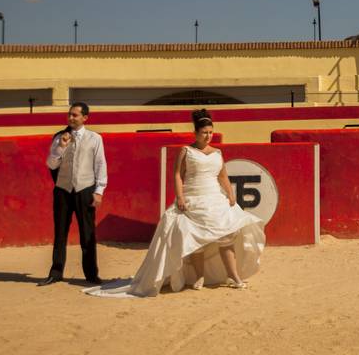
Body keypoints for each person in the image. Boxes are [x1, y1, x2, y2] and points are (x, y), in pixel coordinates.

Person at [86, 108, 265, 297]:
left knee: (227, 237)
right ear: (196, 133)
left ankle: (233, 275)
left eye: (211, 132)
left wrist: (230, 194)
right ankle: (199, 276)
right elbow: (178, 175)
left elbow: (223, 176)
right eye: (204, 132)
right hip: (193, 198)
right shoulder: (186, 151)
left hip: (215, 198)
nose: (208, 136)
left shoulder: (217, 153)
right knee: (195, 239)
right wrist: (180, 197)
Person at [39, 102, 107, 286]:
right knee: (60, 233)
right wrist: (60, 147)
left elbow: (100, 165)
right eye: (69, 114)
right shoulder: (59, 137)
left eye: (75, 115)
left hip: (85, 190)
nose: (71, 118)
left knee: (87, 234)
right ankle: (56, 272)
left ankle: (91, 274)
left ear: (85, 117)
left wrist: (99, 191)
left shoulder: (95, 138)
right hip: (62, 190)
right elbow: (51, 164)